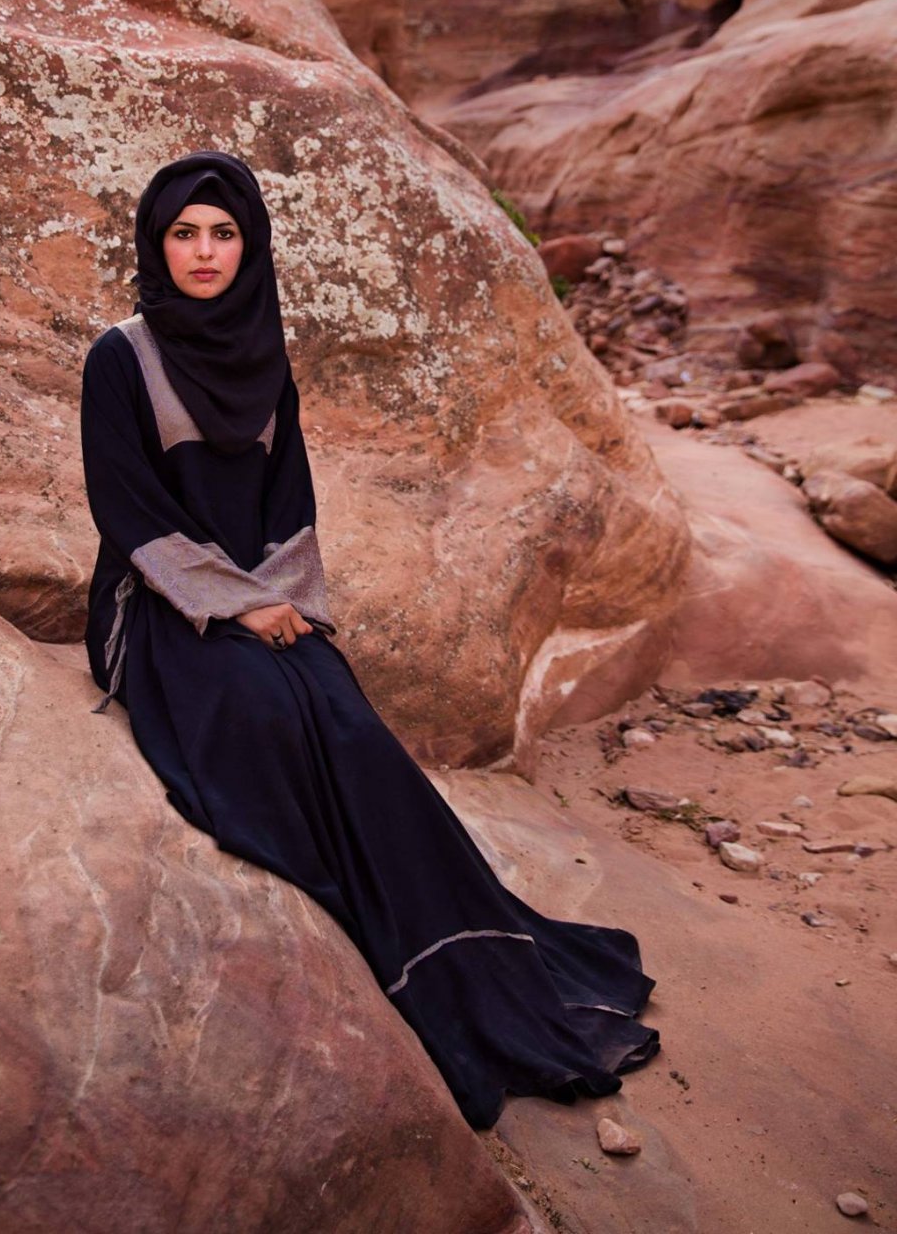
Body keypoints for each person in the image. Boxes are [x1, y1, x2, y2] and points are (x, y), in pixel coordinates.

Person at [80, 149, 660, 1129]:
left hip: (261, 592)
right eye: (185, 232)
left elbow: (288, 502)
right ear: (156, 242)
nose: (205, 251)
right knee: (260, 715)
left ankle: (457, 952)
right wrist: (231, 603)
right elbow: (125, 508)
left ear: (251, 245)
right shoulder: (121, 356)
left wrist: (280, 595)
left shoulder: (264, 356)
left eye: (224, 233)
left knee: (343, 715)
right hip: (158, 601)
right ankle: (359, 927)